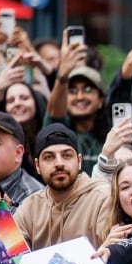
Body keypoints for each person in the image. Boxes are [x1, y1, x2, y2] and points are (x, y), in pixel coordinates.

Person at [0, 123, 111, 250]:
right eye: (49, 157)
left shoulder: (102, 198)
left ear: (79, 161)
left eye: (67, 155)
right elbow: (11, 259)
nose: (59, 163)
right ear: (37, 166)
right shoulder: (30, 207)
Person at [46, 38, 109, 174]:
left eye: (87, 90)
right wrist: (62, 76)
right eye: (72, 91)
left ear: (100, 100)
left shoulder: (112, 134)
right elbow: (54, 112)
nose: (80, 97)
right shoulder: (59, 132)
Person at [0, 75, 48, 180]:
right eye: (11, 100)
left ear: (36, 102)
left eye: (24, 98)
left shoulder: (47, 132)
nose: (17, 103)